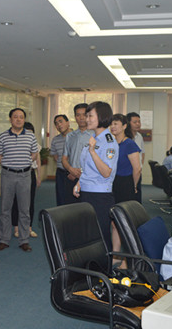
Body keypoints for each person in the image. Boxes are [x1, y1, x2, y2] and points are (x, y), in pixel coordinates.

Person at [73, 102, 118, 251]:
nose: (86, 119)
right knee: (88, 234)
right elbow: (87, 168)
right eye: (86, 116)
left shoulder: (109, 142)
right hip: (86, 192)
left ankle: (106, 265)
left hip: (100, 196)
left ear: (101, 117)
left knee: (100, 236)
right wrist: (79, 183)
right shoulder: (94, 138)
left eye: (90, 116)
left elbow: (106, 172)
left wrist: (92, 152)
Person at [0, 108, 39, 252]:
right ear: (10, 119)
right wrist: (9, 164)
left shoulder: (30, 136)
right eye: (15, 117)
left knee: (24, 209)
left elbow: (34, 153)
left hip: (25, 176)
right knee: (5, 209)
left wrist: (25, 162)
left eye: (21, 117)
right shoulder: (2, 136)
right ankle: (4, 240)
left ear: (24, 120)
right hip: (8, 175)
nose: (18, 119)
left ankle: (24, 240)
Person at [12, 122, 42, 239]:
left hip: (30, 174)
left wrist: (39, 176)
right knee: (16, 202)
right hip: (18, 174)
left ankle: (29, 228)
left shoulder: (36, 145)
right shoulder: (16, 144)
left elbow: (38, 161)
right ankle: (16, 228)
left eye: (31, 133)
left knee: (30, 202)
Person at [61, 103, 93, 205]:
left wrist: (82, 173)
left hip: (89, 179)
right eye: (78, 115)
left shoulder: (95, 135)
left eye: (84, 114)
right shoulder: (70, 136)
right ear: (75, 117)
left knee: (87, 208)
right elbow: (64, 158)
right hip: (71, 177)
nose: (81, 118)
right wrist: (71, 170)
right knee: (71, 208)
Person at [110, 114, 141, 204]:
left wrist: (134, 185)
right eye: (111, 124)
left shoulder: (129, 144)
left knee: (123, 208)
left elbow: (137, 169)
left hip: (126, 182)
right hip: (113, 180)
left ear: (124, 126)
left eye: (115, 124)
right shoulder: (112, 143)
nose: (112, 126)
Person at [50, 114, 72, 206]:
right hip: (61, 173)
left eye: (60, 122)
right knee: (61, 199)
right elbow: (55, 156)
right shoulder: (55, 140)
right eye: (56, 123)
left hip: (74, 173)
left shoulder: (76, 136)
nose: (59, 125)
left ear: (68, 123)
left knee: (73, 200)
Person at [126, 112, 144, 202]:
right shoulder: (124, 137)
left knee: (137, 196)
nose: (138, 124)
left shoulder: (139, 136)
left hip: (137, 171)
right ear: (128, 123)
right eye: (135, 122)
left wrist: (140, 166)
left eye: (139, 121)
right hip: (127, 173)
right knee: (128, 197)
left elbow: (142, 153)